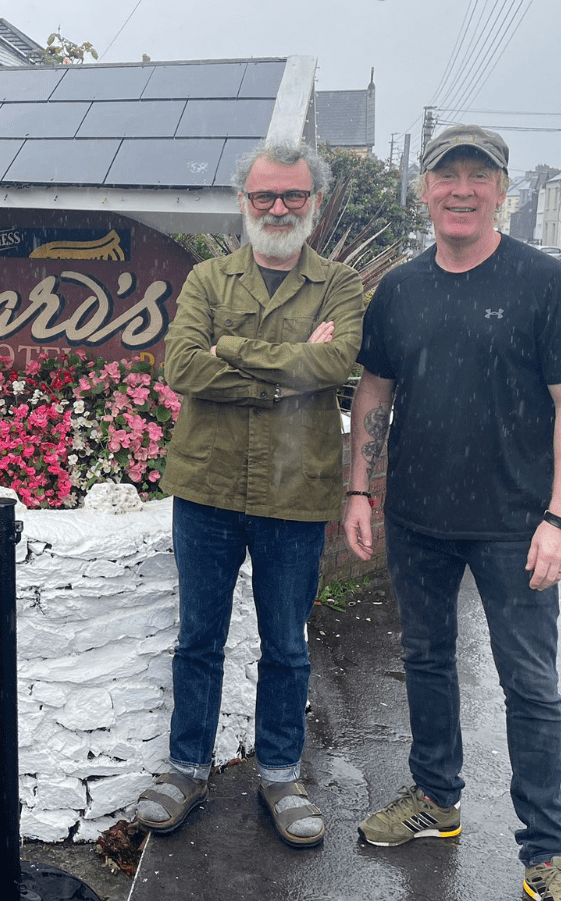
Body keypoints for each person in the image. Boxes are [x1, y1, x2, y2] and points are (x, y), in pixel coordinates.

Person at [343, 124, 561, 900]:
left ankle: (548, 848)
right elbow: (375, 389)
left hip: (515, 524)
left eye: (478, 176)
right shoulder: (401, 287)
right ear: (425, 190)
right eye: (447, 176)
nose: (461, 190)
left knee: (531, 685)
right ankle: (436, 798)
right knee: (427, 661)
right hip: (419, 520)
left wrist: (557, 520)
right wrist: (362, 490)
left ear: (503, 190)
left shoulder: (544, 280)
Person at [135, 141, 363, 847]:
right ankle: (186, 768)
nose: (277, 207)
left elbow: (334, 361)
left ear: (314, 204)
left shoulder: (341, 286)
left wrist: (232, 349)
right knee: (198, 638)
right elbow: (182, 368)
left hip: (296, 491)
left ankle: (281, 774)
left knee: (286, 645)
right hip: (205, 485)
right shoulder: (208, 278)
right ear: (244, 202)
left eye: (293, 195)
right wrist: (287, 373)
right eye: (264, 195)